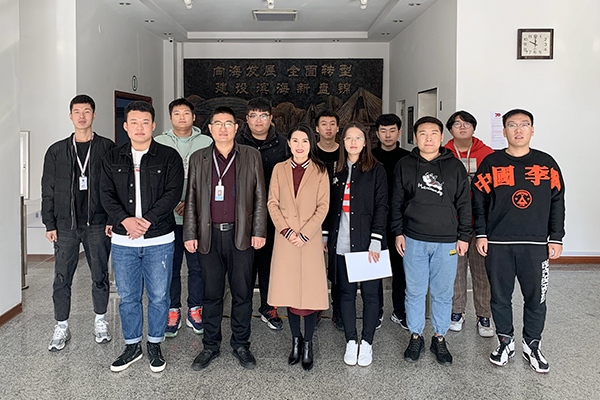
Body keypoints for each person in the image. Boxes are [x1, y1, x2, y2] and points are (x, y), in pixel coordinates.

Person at [472, 109, 565, 373]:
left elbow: (558, 201)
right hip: (498, 243)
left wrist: (556, 237)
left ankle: (532, 345)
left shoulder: (546, 163)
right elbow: (478, 200)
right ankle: (505, 342)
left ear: (532, 130)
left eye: (524, 125)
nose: (518, 130)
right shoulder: (492, 163)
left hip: (535, 244)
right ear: (504, 132)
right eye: (512, 125)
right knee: (499, 297)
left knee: (536, 298)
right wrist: (481, 233)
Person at [101, 101, 184, 373]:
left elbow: (173, 193)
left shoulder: (169, 157)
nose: (140, 127)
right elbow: (105, 195)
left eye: (145, 122)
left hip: (159, 239)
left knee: (159, 296)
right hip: (124, 241)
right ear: (125, 126)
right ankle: (132, 345)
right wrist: (124, 220)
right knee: (128, 297)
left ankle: (155, 343)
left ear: (154, 125)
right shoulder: (112, 158)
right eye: (134, 122)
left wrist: (147, 221)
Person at [184, 106, 267, 370]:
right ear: (209, 128)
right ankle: (210, 345)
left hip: (241, 235)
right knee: (211, 294)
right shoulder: (198, 158)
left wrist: (258, 231)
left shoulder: (251, 155)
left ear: (236, 127)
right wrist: (190, 233)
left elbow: (260, 196)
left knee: (242, 293)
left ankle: (241, 344)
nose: (223, 128)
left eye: (228, 123)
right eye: (217, 123)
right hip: (208, 236)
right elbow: (191, 199)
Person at [391, 116, 471, 366]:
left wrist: (464, 236)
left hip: (447, 241)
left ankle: (439, 337)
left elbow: (464, 203)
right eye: (423, 133)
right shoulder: (404, 165)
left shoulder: (454, 166)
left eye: (433, 133)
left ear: (442, 137)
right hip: (413, 238)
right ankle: (415, 335)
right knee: (414, 291)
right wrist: (398, 232)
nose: (428, 138)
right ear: (415, 137)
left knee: (443, 293)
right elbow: (396, 202)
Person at [42, 94, 115, 351]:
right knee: (62, 277)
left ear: (94, 115)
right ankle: (61, 325)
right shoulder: (56, 151)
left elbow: (115, 187)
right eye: (77, 111)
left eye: (86, 111)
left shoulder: (107, 147)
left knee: (100, 274)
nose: (82, 116)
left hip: (98, 223)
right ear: (70, 116)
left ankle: (100, 320)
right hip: (65, 225)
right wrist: (49, 224)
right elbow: (48, 189)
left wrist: (112, 219)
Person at [324, 122, 388, 367]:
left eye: (358, 138)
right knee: (346, 294)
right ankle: (351, 340)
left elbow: (382, 206)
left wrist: (376, 239)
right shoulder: (336, 169)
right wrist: (325, 235)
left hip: (368, 242)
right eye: (349, 138)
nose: (353, 142)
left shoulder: (376, 170)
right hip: (341, 241)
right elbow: (329, 206)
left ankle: (367, 341)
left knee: (371, 295)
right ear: (343, 141)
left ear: (365, 142)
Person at [267, 124, 330, 371]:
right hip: (285, 240)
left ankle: (308, 344)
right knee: (290, 294)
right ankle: (295, 341)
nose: (300, 145)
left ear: (311, 144)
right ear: (289, 143)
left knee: (310, 295)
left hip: (309, 240)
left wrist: (304, 233)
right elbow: (272, 203)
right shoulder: (279, 169)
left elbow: (323, 206)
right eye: (295, 140)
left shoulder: (320, 170)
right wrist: (286, 230)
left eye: (305, 141)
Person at [155, 98, 213, 338]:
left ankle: (195, 309)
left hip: (197, 217)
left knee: (197, 266)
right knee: (171, 267)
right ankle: (173, 310)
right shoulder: (159, 142)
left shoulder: (207, 142)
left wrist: (190, 203)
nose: (181, 117)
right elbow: (154, 182)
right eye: (177, 113)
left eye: (186, 113)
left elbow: (211, 180)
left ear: (194, 117)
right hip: (167, 218)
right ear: (170, 117)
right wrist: (171, 204)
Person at [236, 97, 287, 331]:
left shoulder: (283, 144)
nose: (259, 121)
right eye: (254, 116)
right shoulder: (236, 142)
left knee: (269, 265)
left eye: (263, 116)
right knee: (244, 266)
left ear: (271, 118)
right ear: (246, 119)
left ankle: (269, 307)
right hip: (242, 215)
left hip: (272, 215)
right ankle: (242, 308)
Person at [444, 111, 495, 337]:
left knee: (482, 272)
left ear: (474, 128)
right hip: (453, 224)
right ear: (450, 129)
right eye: (457, 124)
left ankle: (484, 316)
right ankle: (457, 312)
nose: (462, 127)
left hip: (481, 224)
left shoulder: (488, 154)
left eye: (467, 124)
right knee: (455, 272)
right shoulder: (443, 153)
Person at [372, 113, 411, 330]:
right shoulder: (369, 156)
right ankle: (376, 310)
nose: (388, 135)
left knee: (400, 269)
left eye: (392, 130)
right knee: (375, 268)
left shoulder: (408, 158)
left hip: (401, 223)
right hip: (375, 221)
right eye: (383, 131)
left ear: (399, 132)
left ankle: (399, 310)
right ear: (377, 133)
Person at [314, 110, 344, 331]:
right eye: (324, 124)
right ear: (317, 129)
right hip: (313, 217)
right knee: (315, 267)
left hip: (340, 217)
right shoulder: (310, 151)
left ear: (338, 128)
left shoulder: (345, 151)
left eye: (332, 124)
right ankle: (315, 308)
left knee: (337, 268)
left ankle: (338, 310)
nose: (328, 128)